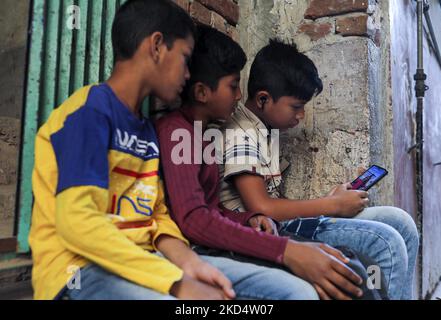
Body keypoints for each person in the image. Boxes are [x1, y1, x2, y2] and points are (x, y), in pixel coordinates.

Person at [28, 0, 306, 301]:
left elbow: (157, 215)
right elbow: (77, 224)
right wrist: (177, 282)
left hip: (150, 261)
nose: (188, 75)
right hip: (81, 271)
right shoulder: (87, 113)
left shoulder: (146, 131)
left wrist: (191, 264)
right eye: (185, 59)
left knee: (295, 291)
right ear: (157, 46)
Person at [157, 25, 370, 301]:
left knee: (350, 264)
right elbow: (195, 220)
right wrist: (282, 250)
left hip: (224, 239)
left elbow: (212, 209)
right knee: (324, 280)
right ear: (202, 92)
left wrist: (249, 218)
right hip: (201, 250)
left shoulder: (204, 135)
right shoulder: (178, 133)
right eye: (233, 86)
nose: (237, 96)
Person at [218, 39, 419, 300]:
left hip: (283, 223)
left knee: (401, 223)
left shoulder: (264, 130)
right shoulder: (241, 134)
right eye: (296, 106)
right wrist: (330, 205)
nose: (301, 116)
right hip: (265, 233)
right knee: (385, 242)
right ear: (263, 99)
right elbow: (262, 208)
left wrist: (330, 200)